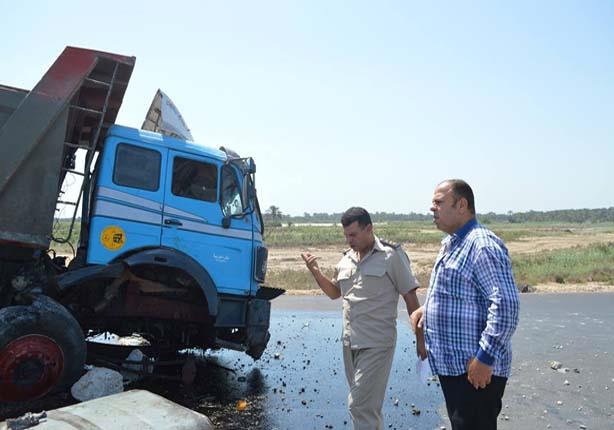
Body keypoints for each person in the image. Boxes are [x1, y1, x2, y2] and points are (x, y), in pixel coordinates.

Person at [301, 207, 425, 430]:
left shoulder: (392, 256)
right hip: (350, 343)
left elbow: (411, 299)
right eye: (346, 235)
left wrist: (421, 339)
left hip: (378, 343)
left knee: (359, 405)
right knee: (367, 407)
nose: (349, 240)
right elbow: (334, 293)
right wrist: (316, 271)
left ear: (369, 229)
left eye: (353, 235)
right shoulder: (346, 259)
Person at [410, 179, 520, 430]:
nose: (432, 209)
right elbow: (463, 296)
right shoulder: (452, 243)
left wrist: (485, 357)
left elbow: (506, 305)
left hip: (475, 371)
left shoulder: (480, 244)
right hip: (457, 369)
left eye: (438, 202)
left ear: (462, 205)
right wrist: (427, 310)